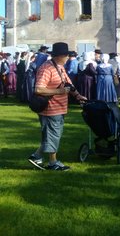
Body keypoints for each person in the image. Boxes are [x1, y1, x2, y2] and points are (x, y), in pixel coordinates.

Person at [27, 42, 87, 171]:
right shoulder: (46, 68)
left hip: (59, 107)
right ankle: (52, 162)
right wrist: (59, 92)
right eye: (66, 56)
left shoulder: (59, 67)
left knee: (50, 135)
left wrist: (78, 96)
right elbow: (38, 89)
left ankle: (36, 157)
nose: (67, 58)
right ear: (59, 56)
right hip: (50, 109)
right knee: (53, 135)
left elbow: (68, 84)